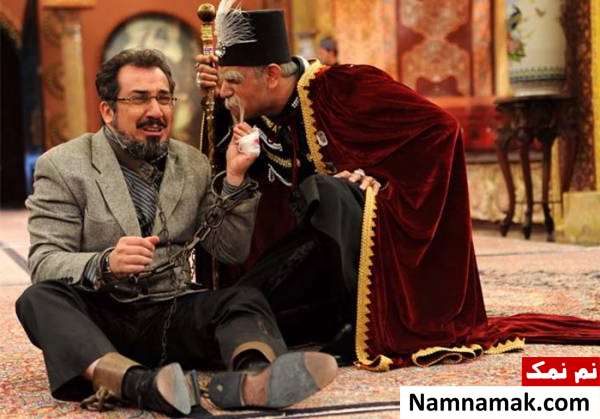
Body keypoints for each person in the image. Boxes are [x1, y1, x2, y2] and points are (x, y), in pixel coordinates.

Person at [195, 5, 600, 371]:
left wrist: (381, 180)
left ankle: (354, 326)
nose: (225, 90)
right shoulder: (250, 112)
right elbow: (239, 181)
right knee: (236, 313)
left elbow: (442, 132)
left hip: (370, 259)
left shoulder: (345, 88)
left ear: (271, 74)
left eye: (233, 80)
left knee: (327, 192)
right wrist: (213, 103)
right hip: (306, 259)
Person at [15, 48, 337, 416]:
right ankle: (140, 385)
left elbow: (229, 250)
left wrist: (234, 178)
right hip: (102, 321)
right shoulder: (63, 166)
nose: (156, 111)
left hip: (170, 314)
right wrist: (104, 263)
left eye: (164, 98)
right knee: (38, 300)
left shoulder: (193, 164)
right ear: (107, 110)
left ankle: (253, 379)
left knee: (241, 299)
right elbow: (45, 261)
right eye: (139, 99)